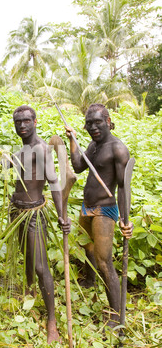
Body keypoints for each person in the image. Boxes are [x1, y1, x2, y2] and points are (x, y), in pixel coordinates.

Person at [0, 105, 71, 344]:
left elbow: (54, 182)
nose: (22, 125)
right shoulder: (21, 150)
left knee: (40, 265)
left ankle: (52, 320)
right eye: (18, 122)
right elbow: (8, 167)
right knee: (26, 257)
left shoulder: (41, 150)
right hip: (17, 213)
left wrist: (62, 215)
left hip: (34, 214)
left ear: (35, 122)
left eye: (26, 121)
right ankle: (29, 291)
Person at [65, 103, 133, 328]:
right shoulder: (94, 145)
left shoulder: (117, 149)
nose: (93, 127)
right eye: (89, 123)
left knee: (104, 262)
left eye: (97, 122)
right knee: (86, 246)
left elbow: (123, 187)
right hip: (87, 207)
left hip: (105, 209)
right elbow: (77, 166)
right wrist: (72, 140)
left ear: (108, 121)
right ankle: (89, 281)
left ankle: (116, 315)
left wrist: (125, 219)